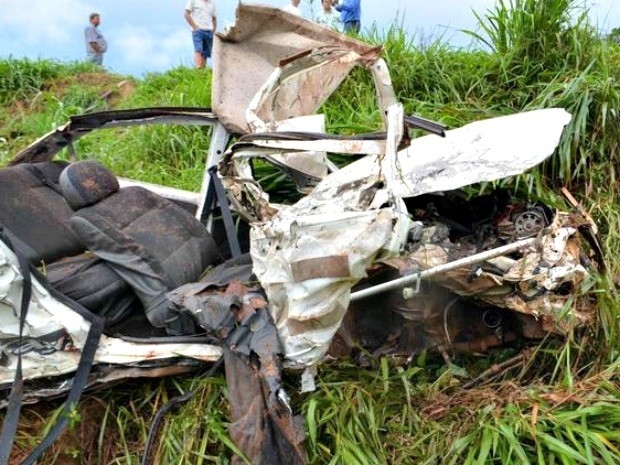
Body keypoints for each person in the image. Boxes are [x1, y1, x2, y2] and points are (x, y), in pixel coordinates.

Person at [184, 0, 217, 69]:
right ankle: (198, 67)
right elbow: (186, 13)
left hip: (208, 30)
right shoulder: (193, 1)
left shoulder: (212, 3)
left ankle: (202, 71)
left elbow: (214, 18)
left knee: (205, 53)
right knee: (198, 49)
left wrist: (213, 30)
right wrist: (194, 26)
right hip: (198, 30)